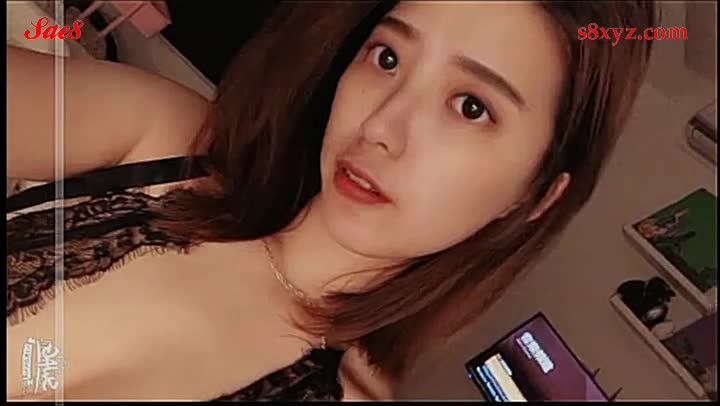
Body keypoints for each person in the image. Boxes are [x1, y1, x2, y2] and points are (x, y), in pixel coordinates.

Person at [7, 0, 658, 400]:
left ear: (535, 196)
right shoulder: (160, 135)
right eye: (388, 57)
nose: (381, 126)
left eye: (470, 107)